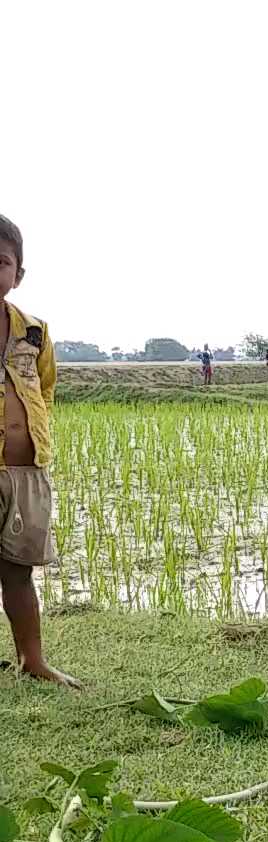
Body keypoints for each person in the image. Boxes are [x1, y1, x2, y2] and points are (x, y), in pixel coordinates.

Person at [0, 214, 78, 687]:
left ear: (18, 273)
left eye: (1, 262)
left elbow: (44, 391)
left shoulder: (34, 332)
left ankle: (33, 660)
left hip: (27, 473)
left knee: (18, 571)